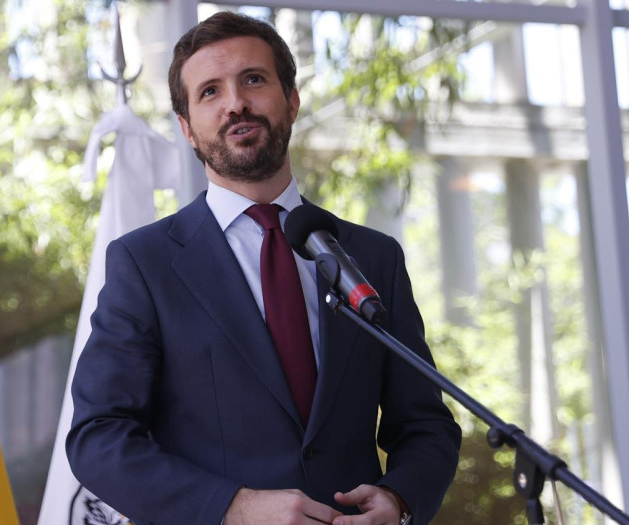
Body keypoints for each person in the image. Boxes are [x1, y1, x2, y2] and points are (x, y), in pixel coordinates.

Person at [65, 11, 462, 525]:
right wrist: (232, 507)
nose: (235, 103)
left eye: (253, 79)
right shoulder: (145, 263)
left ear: (292, 101)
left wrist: (399, 499)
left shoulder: (372, 256)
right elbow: (97, 437)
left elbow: (425, 423)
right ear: (187, 128)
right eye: (209, 91)